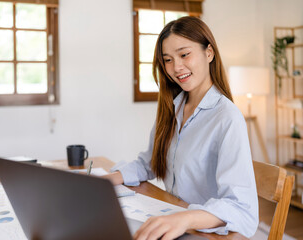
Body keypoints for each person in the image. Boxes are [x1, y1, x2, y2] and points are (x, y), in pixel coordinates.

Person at [104, 16, 258, 240]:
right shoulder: (172, 108)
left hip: (204, 232)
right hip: (172, 219)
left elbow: (242, 208)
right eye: (167, 59)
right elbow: (150, 163)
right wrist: (103, 182)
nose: (176, 67)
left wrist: (185, 219)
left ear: (209, 53)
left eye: (184, 54)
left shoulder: (227, 118)